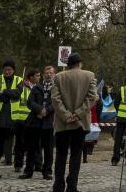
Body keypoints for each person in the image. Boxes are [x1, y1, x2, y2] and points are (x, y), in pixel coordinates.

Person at [51, 53, 97, 192]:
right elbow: (91, 97)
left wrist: (66, 115)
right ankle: (72, 186)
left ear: (68, 64)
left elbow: (55, 99)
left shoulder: (58, 77)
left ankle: (58, 186)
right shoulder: (90, 76)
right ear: (80, 63)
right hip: (80, 123)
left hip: (62, 123)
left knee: (60, 155)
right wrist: (78, 114)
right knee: (76, 156)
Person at [21, 66, 55, 180]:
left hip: (49, 123)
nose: (49, 74)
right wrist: (40, 109)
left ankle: (47, 171)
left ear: (54, 75)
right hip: (35, 121)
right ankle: (28, 170)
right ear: (44, 74)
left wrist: (47, 110)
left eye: (51, 73)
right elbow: (30, 102)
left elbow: (57, 102)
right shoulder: (36, 87)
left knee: (48, 148)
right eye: (47, 72)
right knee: (32, 147)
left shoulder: (56, 88)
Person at [14, 69, 40, 174]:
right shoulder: (22, 86)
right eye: (37, 76)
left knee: (34, 144)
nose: (39, 77)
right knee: (20, 143)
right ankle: (18, 164)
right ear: (31, 77)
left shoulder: (39, 88)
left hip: (33, 119)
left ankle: (37, 164)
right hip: (21, 118)